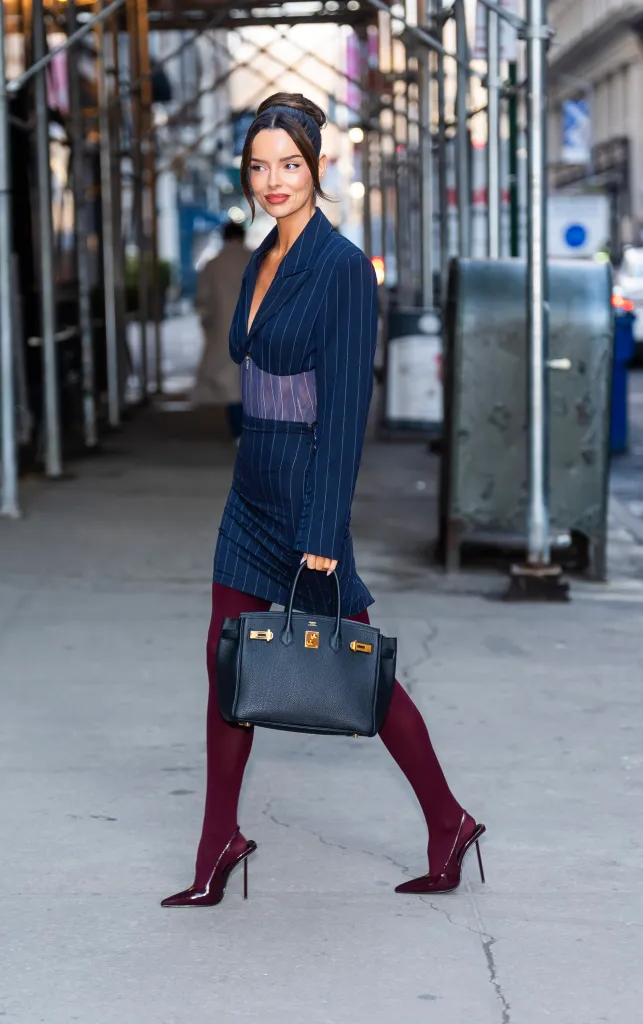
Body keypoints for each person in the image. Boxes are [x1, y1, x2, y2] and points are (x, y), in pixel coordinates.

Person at [161, 93, 485, 908]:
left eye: (289, 165)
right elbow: (243, 350)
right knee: (225, 665)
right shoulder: (264, 253)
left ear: (317, 167)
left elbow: (344, 412)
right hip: (251, 485)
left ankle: (447, 820)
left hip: (307, 486)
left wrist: (322, 533)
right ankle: (216, 846)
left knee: (357, 675)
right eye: (259, 166)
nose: (273, 181)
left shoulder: (340, 268)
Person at [193, 221, 251, 440]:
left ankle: (238, 432)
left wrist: (208, 324)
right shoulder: (258, 259)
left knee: (230, 386)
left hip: (223, 333)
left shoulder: (212, 265)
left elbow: (202, 301)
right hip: (256, 331)